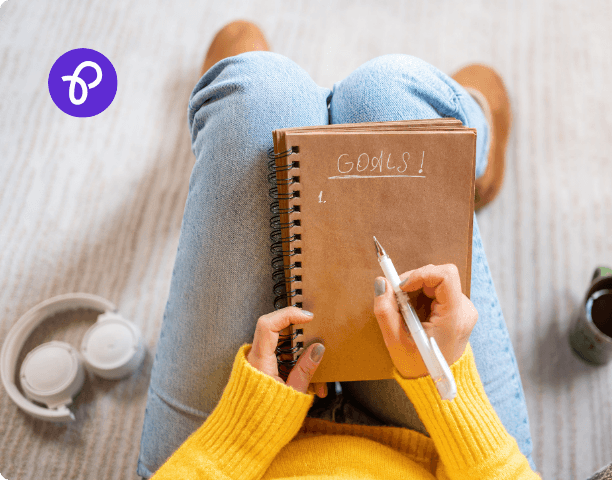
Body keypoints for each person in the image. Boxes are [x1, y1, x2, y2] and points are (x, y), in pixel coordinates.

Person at [137, 20, 539, 479]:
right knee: (393, 91)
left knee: (252, 90)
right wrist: (444, 380)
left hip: (232, 449)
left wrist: (242, 430)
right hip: (437, 448)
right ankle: (477, 154)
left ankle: (228, 120)